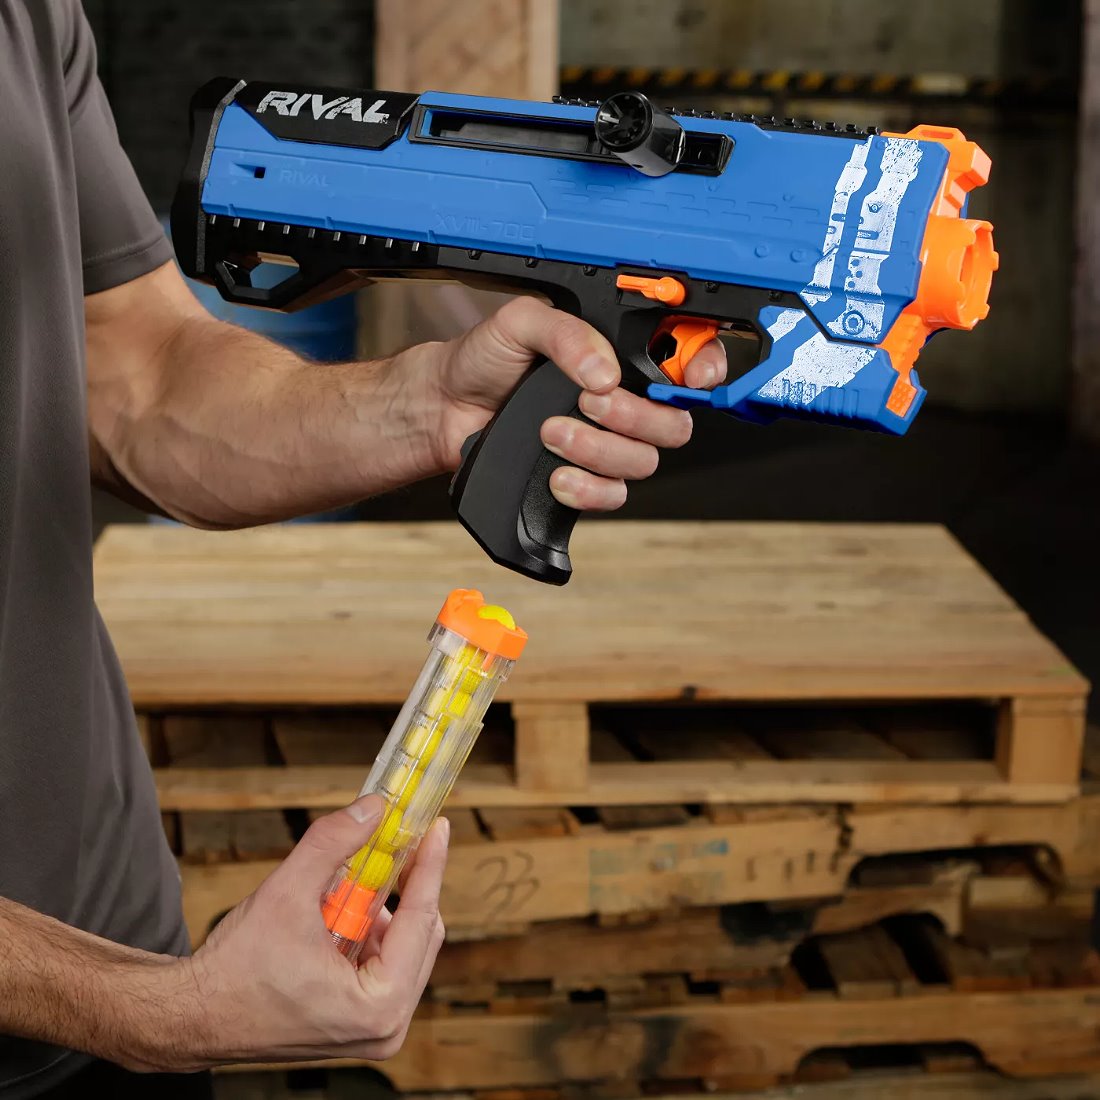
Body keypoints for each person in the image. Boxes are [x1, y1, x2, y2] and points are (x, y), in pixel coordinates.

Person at [0, 2, 727, 1096]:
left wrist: (427, 404)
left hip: (113, 938)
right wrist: (148, 1010)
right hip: (111, 997)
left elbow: (132, 374)